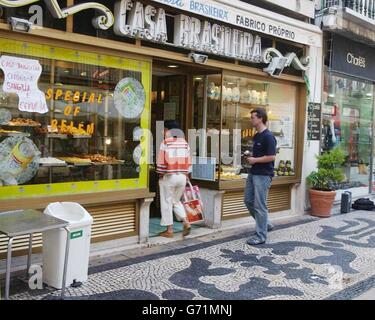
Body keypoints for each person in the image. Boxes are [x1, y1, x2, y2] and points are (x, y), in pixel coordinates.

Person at [244, 108, 277, 245]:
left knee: (260, 205)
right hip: (253, 172)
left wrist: (255, 160)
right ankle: (266, 224)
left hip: (263, 175)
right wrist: (250, 157)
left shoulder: (268, 137)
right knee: (248, 200)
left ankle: (261, 235)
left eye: (253, 117)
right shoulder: (257, 136)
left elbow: (271, 156)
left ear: (260, 119)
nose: (251, 119)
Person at [156, 120, 192, 238]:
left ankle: (169, 230)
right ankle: (185, 221)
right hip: (182, 176)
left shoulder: (165, 143)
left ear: (169, 130)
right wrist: (186, 175)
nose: (164, 131)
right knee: (175, 201)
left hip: (169, 176)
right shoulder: (185, 143)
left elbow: (161, 162)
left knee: (166, 202)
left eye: (165, 129)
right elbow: (189, 162)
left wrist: (160, 174)